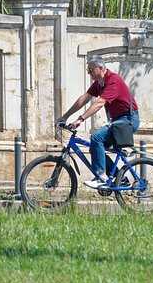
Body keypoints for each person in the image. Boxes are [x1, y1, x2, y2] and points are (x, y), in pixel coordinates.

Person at [56, 55, 139, 189]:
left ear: (100, 68)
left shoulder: (113, 80)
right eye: (88, 70)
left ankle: (101, 176)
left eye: (91, 70)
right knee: (95, 146)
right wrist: (65, 116)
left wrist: (80, 119)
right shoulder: (99, 83)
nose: (89, 73)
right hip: (118, 121)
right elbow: (84, 98)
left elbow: (99, 103)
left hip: (128, 120)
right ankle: (120, 178)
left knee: (96, 138)